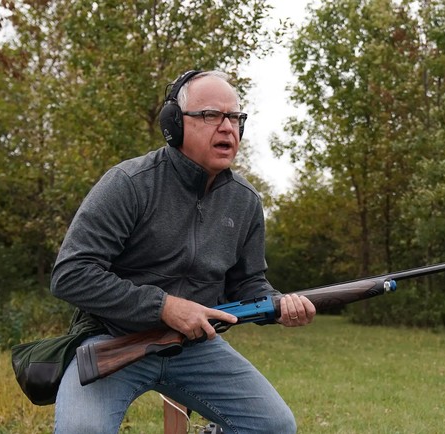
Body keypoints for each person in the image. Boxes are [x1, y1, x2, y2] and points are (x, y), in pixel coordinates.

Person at [50, 70, 316, 434]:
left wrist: (279, 304)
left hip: (195, 348)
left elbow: (249, 282)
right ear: (174, 125)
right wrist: (165, 307)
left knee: (274, 426)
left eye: (235, 118)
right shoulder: (129, 184)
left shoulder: (245, 202)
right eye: (210, 115)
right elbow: (71, 274)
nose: (227, 128)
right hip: (113, 340)